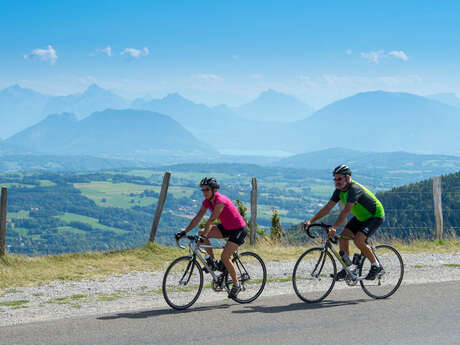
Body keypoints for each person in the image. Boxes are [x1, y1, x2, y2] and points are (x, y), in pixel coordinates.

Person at [304, 165, 385, 280]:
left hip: (375, 216)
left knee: (358, 240)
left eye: (339, 179)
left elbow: (346, 210)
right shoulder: (339, 191)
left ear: (347, 178)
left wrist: (334, 227)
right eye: (335, 179)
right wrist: (310, 221)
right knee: (343, 238)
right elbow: (328, 208)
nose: (337, 182)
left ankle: (376, 266)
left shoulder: (354, 189)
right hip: (361, 217)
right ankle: (347, 269)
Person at [175, 177, 248, 299]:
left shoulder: (220, 200)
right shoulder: (207, 202)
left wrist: (204, 237)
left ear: (214, 190)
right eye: (202, 190)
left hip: (238, 229)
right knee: (201, 232)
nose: (204, 192)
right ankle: (213, 262)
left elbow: (212, 219)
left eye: (207, 189)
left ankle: (236, 284)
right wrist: (184, 232)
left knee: (225, 257)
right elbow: (197, 218)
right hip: (226, 227)